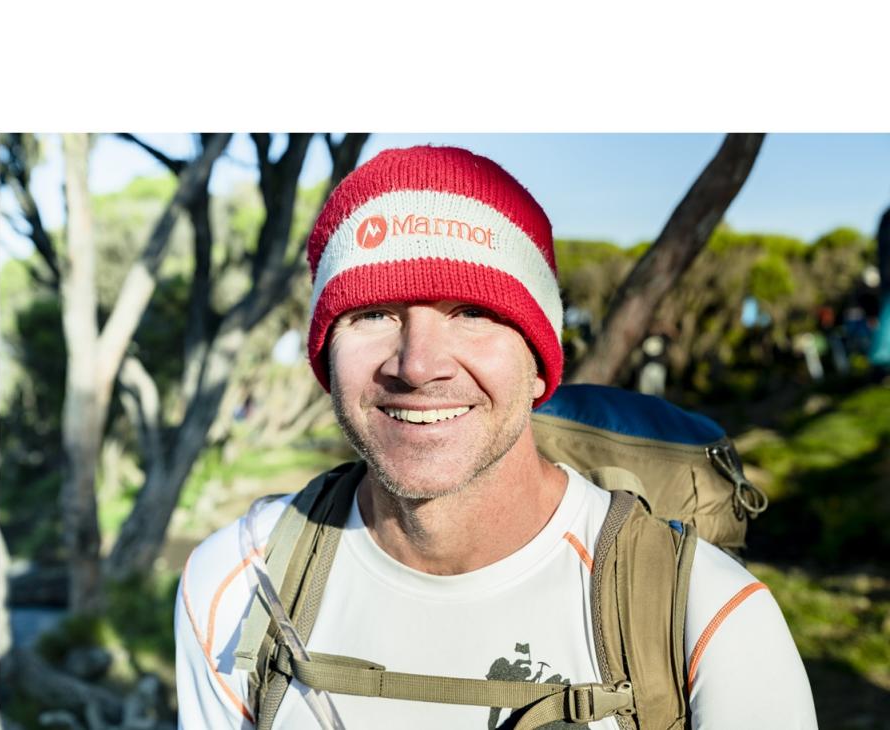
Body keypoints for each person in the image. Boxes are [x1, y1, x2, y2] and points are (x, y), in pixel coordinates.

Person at [175, 146, 817, 729]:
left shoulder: (708, 619)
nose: (418, 364)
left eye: (473, 313)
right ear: (325, 357)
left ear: (540, 364)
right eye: (374, 313)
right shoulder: (237, 582)